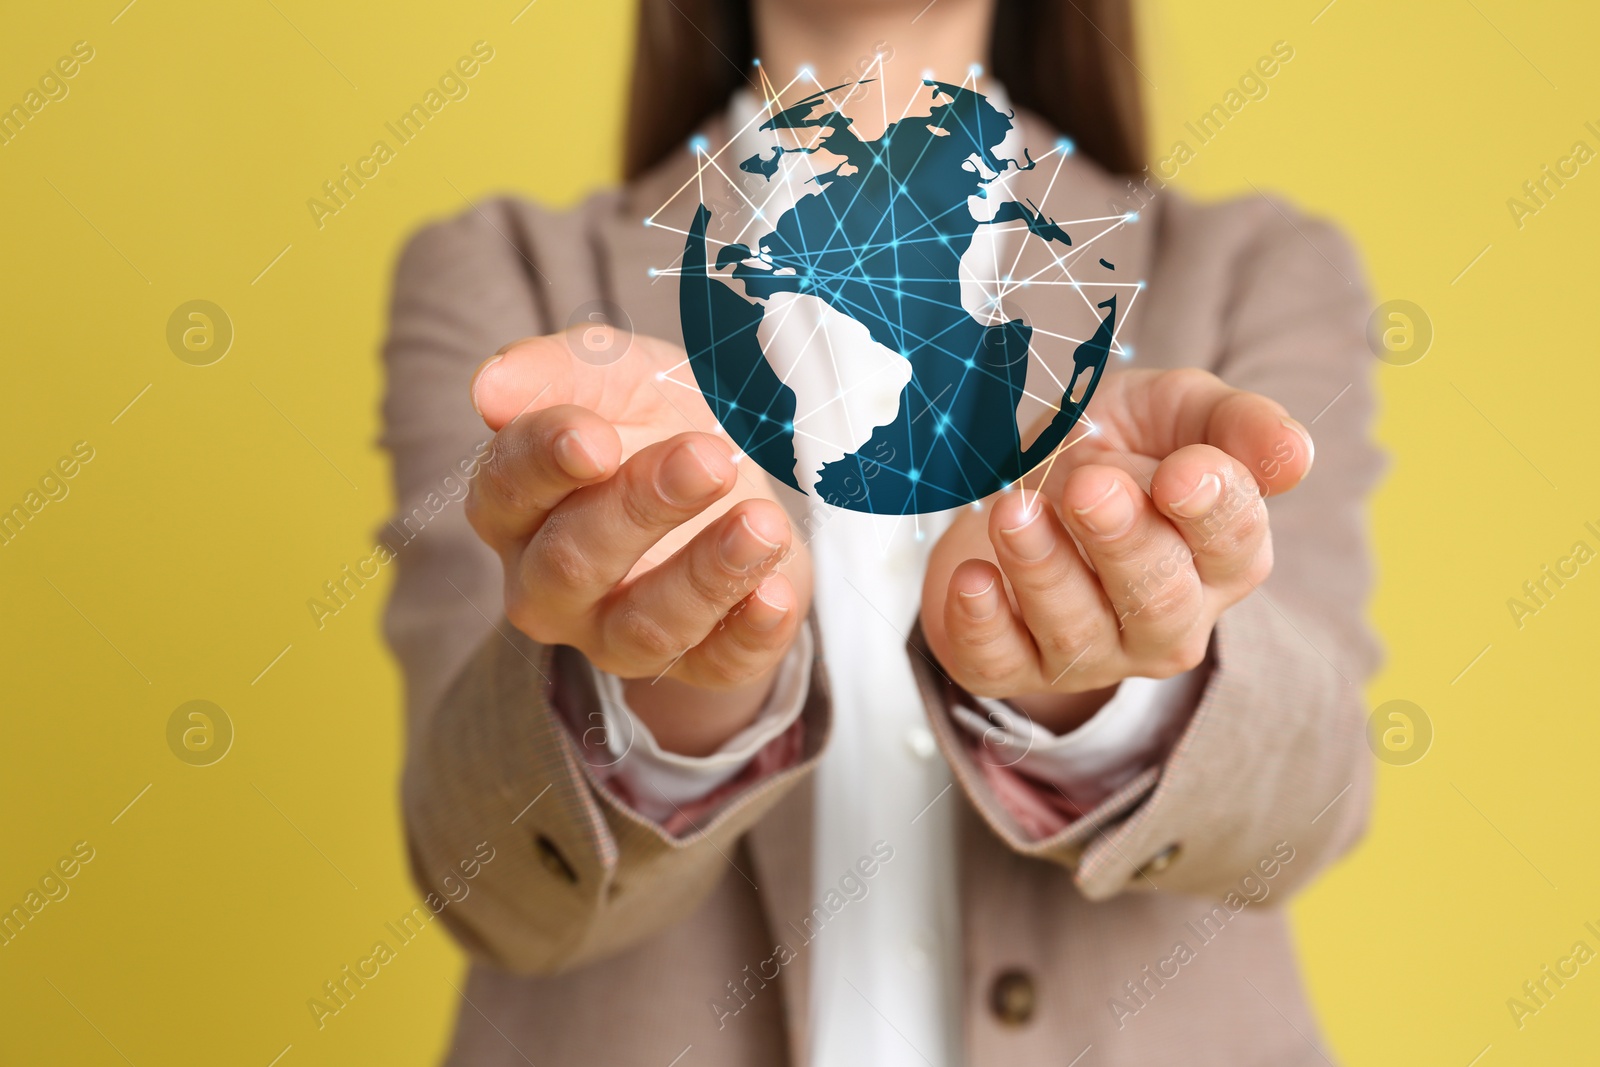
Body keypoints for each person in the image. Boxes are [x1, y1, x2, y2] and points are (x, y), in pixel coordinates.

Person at [381, 1, 1383, 1063]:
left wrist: (1087, 672)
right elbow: (483, 878)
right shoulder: (505, 272)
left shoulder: (1250, 266)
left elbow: (1305, 812)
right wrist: (672, 680)